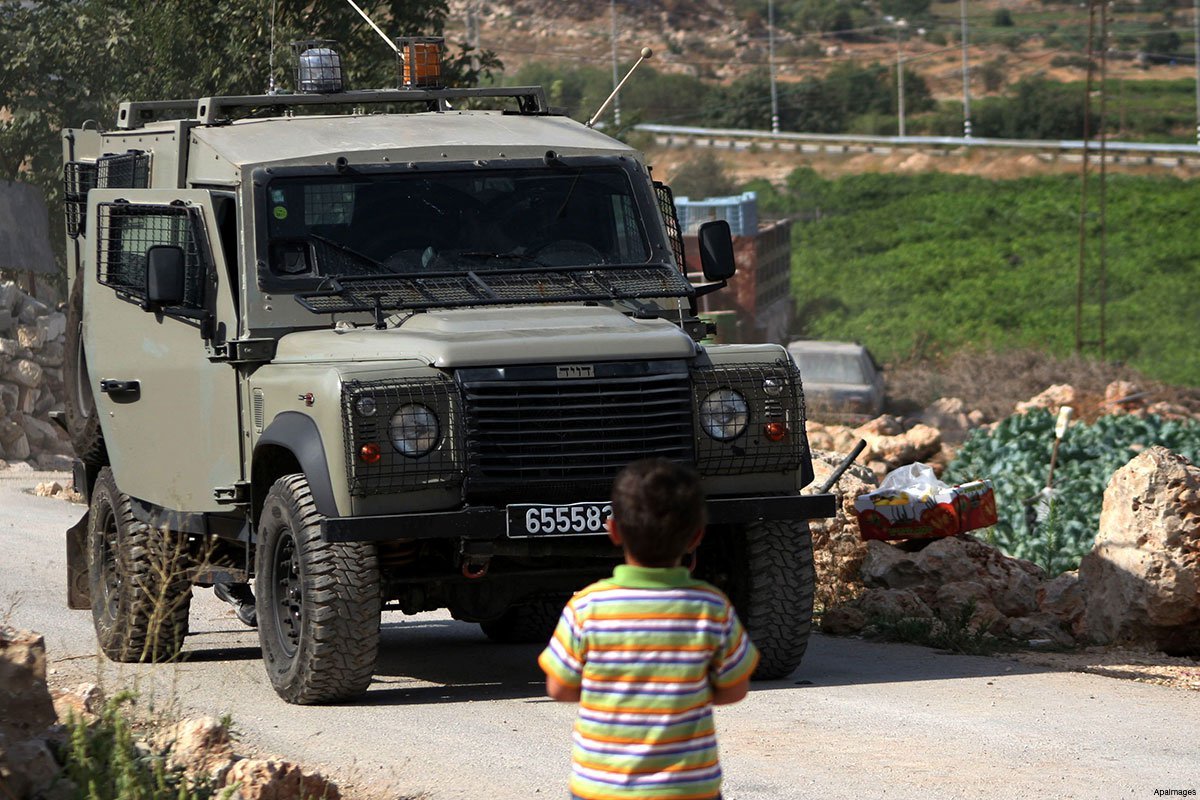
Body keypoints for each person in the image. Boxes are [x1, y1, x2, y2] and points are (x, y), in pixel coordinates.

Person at [538, 459, 758, 800]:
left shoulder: (586, 607)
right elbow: (735, 689)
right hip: (688, 789)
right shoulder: (711, 608)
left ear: (612, 530)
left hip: (601, 788)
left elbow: (559, 687)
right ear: (696, 537)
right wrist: (685, 693)